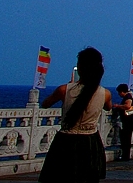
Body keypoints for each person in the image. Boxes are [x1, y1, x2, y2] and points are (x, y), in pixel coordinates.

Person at [38, 47, 112, 183]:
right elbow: (108, 107)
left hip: (66, 140)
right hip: (90, 141)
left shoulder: (64, 90)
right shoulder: (105, 93)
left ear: (80, 67)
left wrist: (71, 84)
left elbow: (45, 103)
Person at [112, 83, 133, 161]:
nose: (119, 94)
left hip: (129, 120)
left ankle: (125, 156)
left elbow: (127, 106)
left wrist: (117, 106)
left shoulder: (128, 97)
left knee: (126, 137)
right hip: (131, 120)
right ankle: (125, 155)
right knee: (126, 137)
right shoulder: (130, 96)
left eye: (119, 92)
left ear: (122, 91)